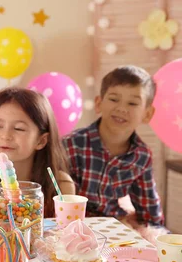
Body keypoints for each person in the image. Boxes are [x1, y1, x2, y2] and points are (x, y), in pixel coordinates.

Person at [63, 65, 164, 228]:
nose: (122, 108)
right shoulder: (72, 144)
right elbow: (57, 199)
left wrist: (155, 233)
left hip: (112, 228)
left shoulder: (141, 155)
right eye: (113, 99)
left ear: (147, 114)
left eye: (132, 103)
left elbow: (150, 213)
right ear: (98, 103)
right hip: (73, 226)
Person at [0, 87, 75, 219]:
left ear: (41, 140)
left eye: (18, 128)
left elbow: (68, 231)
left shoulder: (61, 185)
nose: (5, 136)